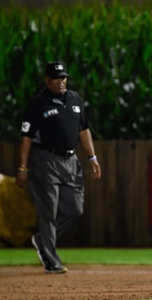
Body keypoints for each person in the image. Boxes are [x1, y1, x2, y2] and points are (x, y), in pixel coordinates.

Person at [15, 61, 101, 274]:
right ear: (47, 80)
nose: (60, 81)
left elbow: (84, 129)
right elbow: (26, 137)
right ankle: (51, 259)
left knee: (75, 208)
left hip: (70, 160)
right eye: (56, 78)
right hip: (45, 159)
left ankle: (42, 239)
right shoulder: (38, 103)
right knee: (49, 211)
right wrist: (23, 168)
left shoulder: (75, 99)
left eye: (63, 77)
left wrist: (92, 157)